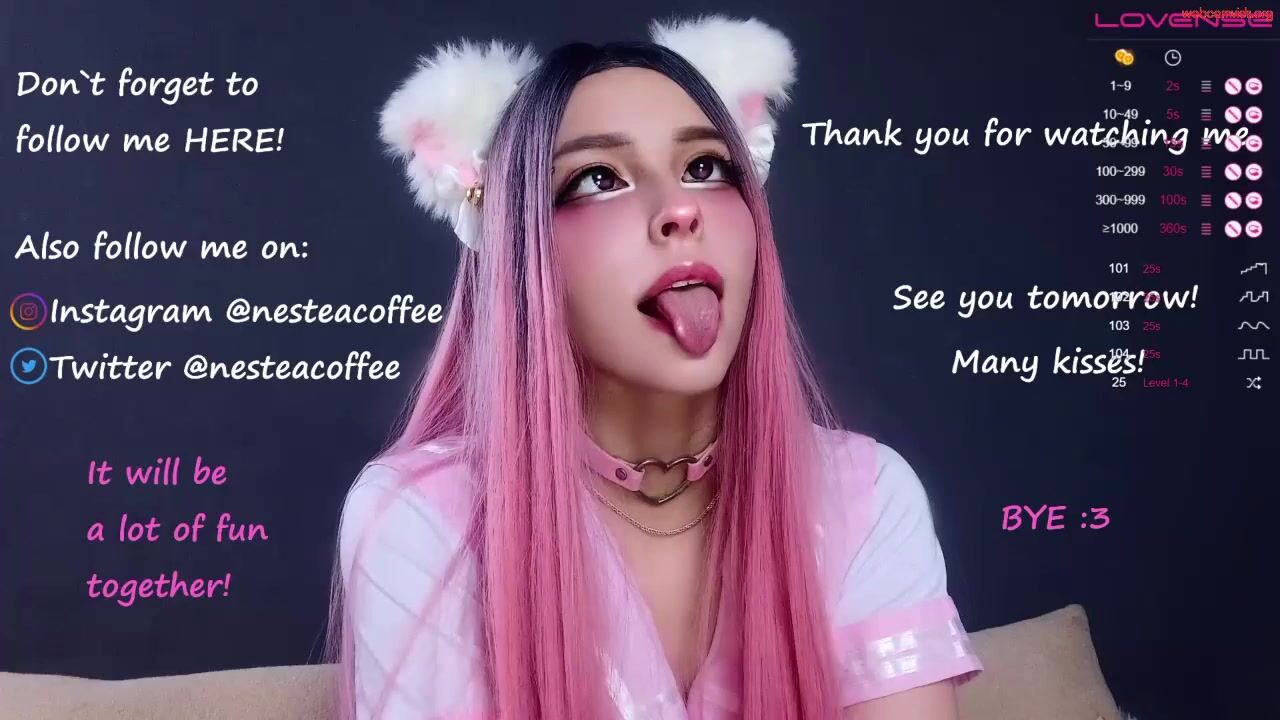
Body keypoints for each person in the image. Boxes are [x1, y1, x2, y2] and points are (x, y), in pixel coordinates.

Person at [326, 15, 983, 720]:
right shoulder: (422, 522)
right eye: (597, 178)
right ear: (520, 251)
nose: (679, 210)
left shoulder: (866, 497)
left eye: (706, 168)